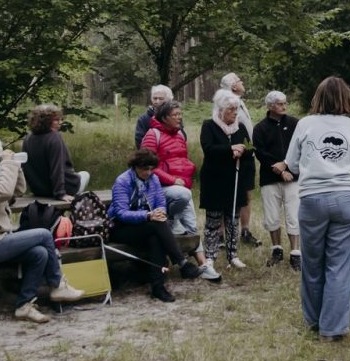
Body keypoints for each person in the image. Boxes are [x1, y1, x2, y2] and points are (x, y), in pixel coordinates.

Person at [0, 139, 85, 323]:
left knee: (39, 253)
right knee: (43, 234)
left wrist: (17, 165)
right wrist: (8, 163)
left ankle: (24, 305)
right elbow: (4, 193)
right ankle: (57, 285)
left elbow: (18, 190)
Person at [284, 76, 350, 342]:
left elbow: (292, 164)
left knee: (312, 262)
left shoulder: (305, 124)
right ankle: (332, 329)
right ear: (347, 99)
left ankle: (313, 319)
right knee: (340, 266)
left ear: (318, 97)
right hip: (346, 199)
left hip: (312, 200)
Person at [107, 149, 204, 302]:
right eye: (145, 169)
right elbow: (120, 213)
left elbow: (160, 202)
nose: (149, 172)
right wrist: (147, 215)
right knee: (155, 226)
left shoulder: (153, 179)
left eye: (152, 169)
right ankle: (182, 262)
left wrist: (161, 213)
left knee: (155, 237)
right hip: (119, 227)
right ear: (135, 167)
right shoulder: (123, 181)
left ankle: (158, 287)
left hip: (146, 224)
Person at [140, 100, 222, 282]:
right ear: (164, 117)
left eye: (180, 114)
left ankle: (203, 265)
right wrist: (171, 180)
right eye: (175, 115)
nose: (179, 118)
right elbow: (146, 166)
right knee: (182, 197)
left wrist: (186, 177)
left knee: (191, 226)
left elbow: (181, 162)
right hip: (160, 188)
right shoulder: (152, 135)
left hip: (181, 187)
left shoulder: (180, 135)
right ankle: (171, 221)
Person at [199, 89, 256, 269]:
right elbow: (208, 149)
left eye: (236, 109)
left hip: (235, 180)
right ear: (221, 110)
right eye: (231, 109)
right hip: (214, 180)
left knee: (233, 218)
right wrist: (231, 149)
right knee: (213, 220)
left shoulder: (240, 127)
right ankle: (210, 256)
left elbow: (251, 149)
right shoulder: (209, 125)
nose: (234, 112)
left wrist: (243, 151)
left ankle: (233, 255)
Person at [252, 91, 301, 270]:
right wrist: (279, 171)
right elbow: (260, 153)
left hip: (293, 177)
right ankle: (276, 250)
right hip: (269, 179)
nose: (284, 106)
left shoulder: (296, 124)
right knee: (272, 216)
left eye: (285, 103)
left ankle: (295, 254)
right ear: (270, 106)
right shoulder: (260, 128)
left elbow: (300, 147)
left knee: (293, 215)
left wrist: (286, 165)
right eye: (280, 104)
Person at [219, 73, 260, 247]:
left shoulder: (241, 102)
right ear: (234, 86)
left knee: (247, 193)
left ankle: (245, 230)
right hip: (234, 153)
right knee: (226, 194)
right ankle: (220, 234)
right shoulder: (225, 104)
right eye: (239, 81)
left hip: (247, 153)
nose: (243, 83)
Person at [22, 104, 90, 202]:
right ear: (46, 122)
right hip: (62, 189)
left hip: (39, 190)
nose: (60, 123)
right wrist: (60, 194)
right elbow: (57, 168)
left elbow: (26, 167)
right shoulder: (54, 137)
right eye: (56, 120)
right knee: (85, 174)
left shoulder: (28, 138)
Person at [134, 85, 173, 149]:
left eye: (161, 99)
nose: (157, 101)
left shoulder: (174, 116)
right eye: (155, 98)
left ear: (168, 100)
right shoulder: (144, 119)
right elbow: (139, 142)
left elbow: (182, 138)